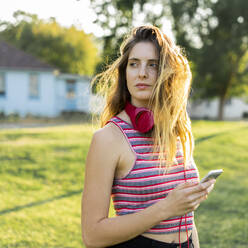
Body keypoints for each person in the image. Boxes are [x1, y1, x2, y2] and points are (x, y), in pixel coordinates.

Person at [81, 25, 216, 248]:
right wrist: (166, 208)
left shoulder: (176, 128)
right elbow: (92, 235)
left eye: (152, 65)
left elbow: (186, 220)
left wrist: (190, 198)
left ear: (167, 73)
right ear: (125, 73)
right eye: (134, 64)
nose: (141, 73)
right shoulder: (108, 139)